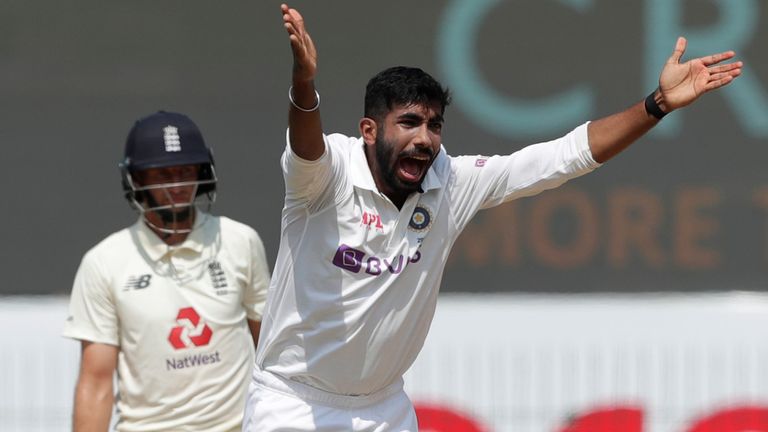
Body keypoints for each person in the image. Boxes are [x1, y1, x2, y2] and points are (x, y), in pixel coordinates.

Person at [243, 4, 743, 431]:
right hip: (292, 402)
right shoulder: (327, 176)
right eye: (409, 122)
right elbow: (306, 145)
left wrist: (657, 105)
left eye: (434, 125)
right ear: (369, 130)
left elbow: (564, 157)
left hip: (382, 409)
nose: (424, 139)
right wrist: (304, 84)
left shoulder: (450, 182)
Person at [63, 111, 271, 431]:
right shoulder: (104, 261)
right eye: (163, 174)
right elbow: (96, 383)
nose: (178, 185)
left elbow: (271, 355)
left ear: (203, 172)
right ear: (136, 180)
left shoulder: (240, 241)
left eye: (186, 171)